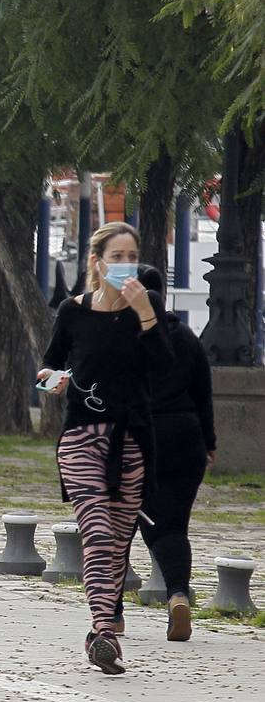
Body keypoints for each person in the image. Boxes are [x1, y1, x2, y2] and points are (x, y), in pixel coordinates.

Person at [38, 222, 172, 675]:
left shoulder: (146, 308)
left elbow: (164, 371)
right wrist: (51, 380)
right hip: (81, 439)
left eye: (131, 255)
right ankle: (105, 631)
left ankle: (101, 632)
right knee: (95, 531)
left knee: (116, 543)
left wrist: (146, 313)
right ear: (97, 263)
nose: (125, 264)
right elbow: (51, 362)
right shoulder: (72, 311)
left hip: (131, 441)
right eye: (116, 256)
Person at [135, 264, 214, 643]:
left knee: (146, 523)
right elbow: (203, 392)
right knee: (175, 524)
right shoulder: (185, 335)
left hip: (144, 439)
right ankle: (179, 596)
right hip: (188, 440)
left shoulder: (129, 337)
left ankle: (111, 613)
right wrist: (210, 442)